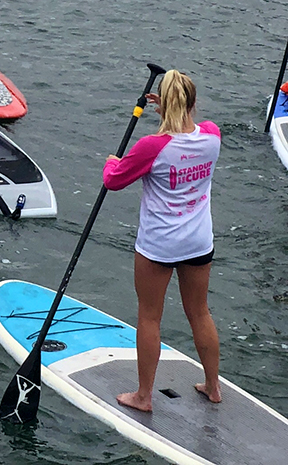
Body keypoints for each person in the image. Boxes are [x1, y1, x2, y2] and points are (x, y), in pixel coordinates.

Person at [102, 69, 223, 414]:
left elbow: (113, 180)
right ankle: (213, 386)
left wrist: (112, 163)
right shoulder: (213, 136)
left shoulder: (151, 147)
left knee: (149, 317)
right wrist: (168, 107)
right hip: (199, 242)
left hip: (159, 246)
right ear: (193, 102)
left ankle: (143, 396)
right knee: (200, 312)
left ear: (164, 103)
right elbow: (188, 131)